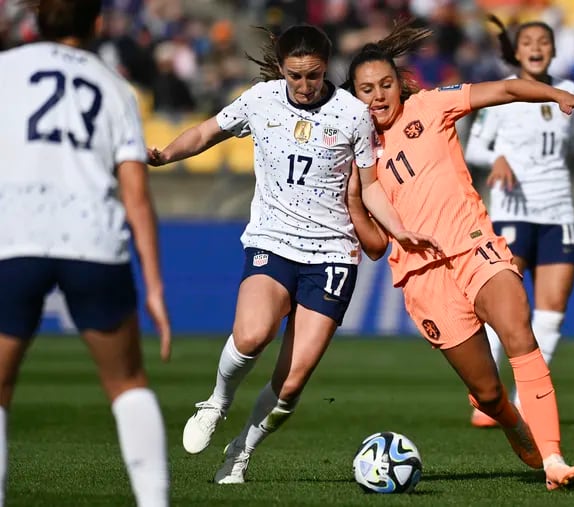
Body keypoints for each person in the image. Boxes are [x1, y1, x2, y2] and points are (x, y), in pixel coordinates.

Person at [147, 23, 438, 484]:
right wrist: (166, 155)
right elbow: (206, 133)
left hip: (332, 254)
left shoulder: (351, 114)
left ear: (326, 69)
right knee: (251, 335)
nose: (304, 86)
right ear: (281, 69)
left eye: (314, 75)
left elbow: (371, 186)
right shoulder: (260, 100)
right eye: (295, 76)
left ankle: (239, 454)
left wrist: (400, 231)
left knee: (293, 382)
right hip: (273, 241)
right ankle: (217, 402)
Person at [344, 19, 574, 490]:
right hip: (422, 279)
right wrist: (354, 199)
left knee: (519, 327)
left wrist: (553, 95)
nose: (378, 96)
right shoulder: (357, 156)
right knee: (485, 392)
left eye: (385, 85)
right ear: (352, 96)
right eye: (366, 90)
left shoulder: (430, 105)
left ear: (399, 84)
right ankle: (507, 417)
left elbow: (502, 89)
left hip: (473, 244)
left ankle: (554, 460)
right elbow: (377, 248)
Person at [0, 1, 172, 506]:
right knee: (128, 383)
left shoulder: (6, 70)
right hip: (93, 239)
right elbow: (136, 197)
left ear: (34, 19)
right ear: (96, 23)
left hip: (17, 238)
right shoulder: (115, 87)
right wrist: (155, 289)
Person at [463, 17, 574, 428]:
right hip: (512, 211)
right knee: (505, 308)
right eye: (528, 41)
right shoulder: (503, 92)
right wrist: (495, 158)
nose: (536, 47)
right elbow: (475, 146)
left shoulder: (566, 91)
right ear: (516, 52)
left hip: (558, 212)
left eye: (543, 41)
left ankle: (524, 400)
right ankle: (487, 397)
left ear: (552, 50)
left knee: (551, 313)